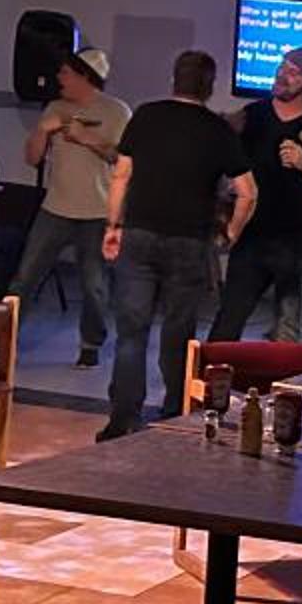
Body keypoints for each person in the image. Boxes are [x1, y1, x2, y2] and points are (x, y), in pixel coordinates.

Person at [101, 49, 253, 439]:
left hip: (140, 234)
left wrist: (113, 225)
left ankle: (122, 418)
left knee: (131, 331)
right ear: (210, 86)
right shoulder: (218, 130)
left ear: (174, 79)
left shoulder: (146, 116)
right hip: (190, 242)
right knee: (178, 332)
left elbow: (121, 175)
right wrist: (231, 233)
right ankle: (173, 413)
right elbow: (248, 192)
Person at [212, 52, 302, 342]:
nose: (282, 75)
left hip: (295, 241)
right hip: (251, 236)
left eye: (293, 72)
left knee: (287, 330)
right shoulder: (252, 115)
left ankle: (281, 374)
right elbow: (223, 166)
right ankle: (211, 371)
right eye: (282, 68)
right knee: (228, 322)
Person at [10, 46, 128, 368]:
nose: (59, 78)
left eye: (65, 73)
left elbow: (122, 158)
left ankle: (90, 344)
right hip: (55, 208)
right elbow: (32, 158)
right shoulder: (55, 107)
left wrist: (85, 137)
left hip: (97, 212)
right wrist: (41, 130)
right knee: (24, 278)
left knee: (94, 286)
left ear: (84, 76)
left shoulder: (117, 111)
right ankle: (3, 340)